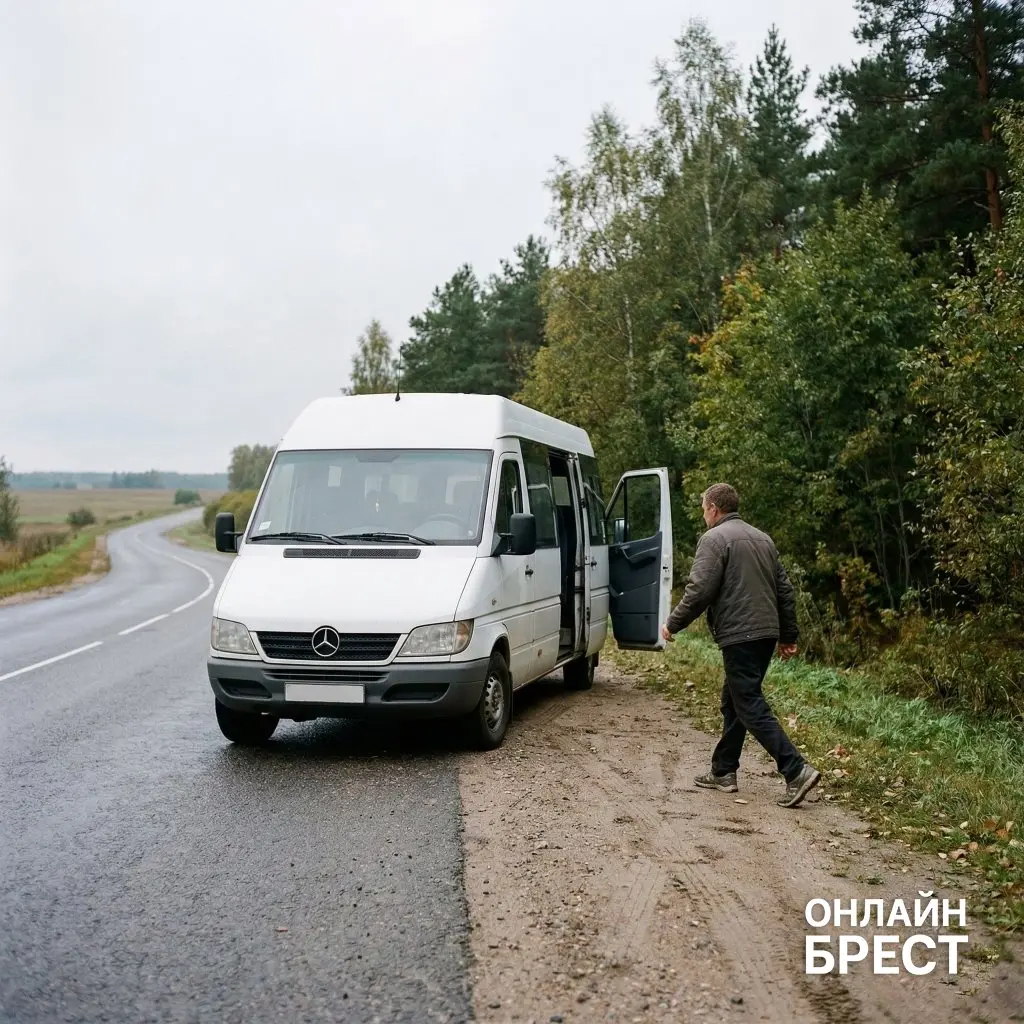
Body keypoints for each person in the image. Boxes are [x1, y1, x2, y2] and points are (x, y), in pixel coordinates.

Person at [661, 483, 821, 809]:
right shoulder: (763, 539)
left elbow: (700, 590)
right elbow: (784, 591)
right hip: (765, 633)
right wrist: (788, 635)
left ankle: (795, 770)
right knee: (734, 700)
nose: (703, 515)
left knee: (747, 702)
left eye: (704, 509)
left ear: (714, 509)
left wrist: (673, 623)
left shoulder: (714, 539)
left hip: (740, 633)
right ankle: (723, 771)